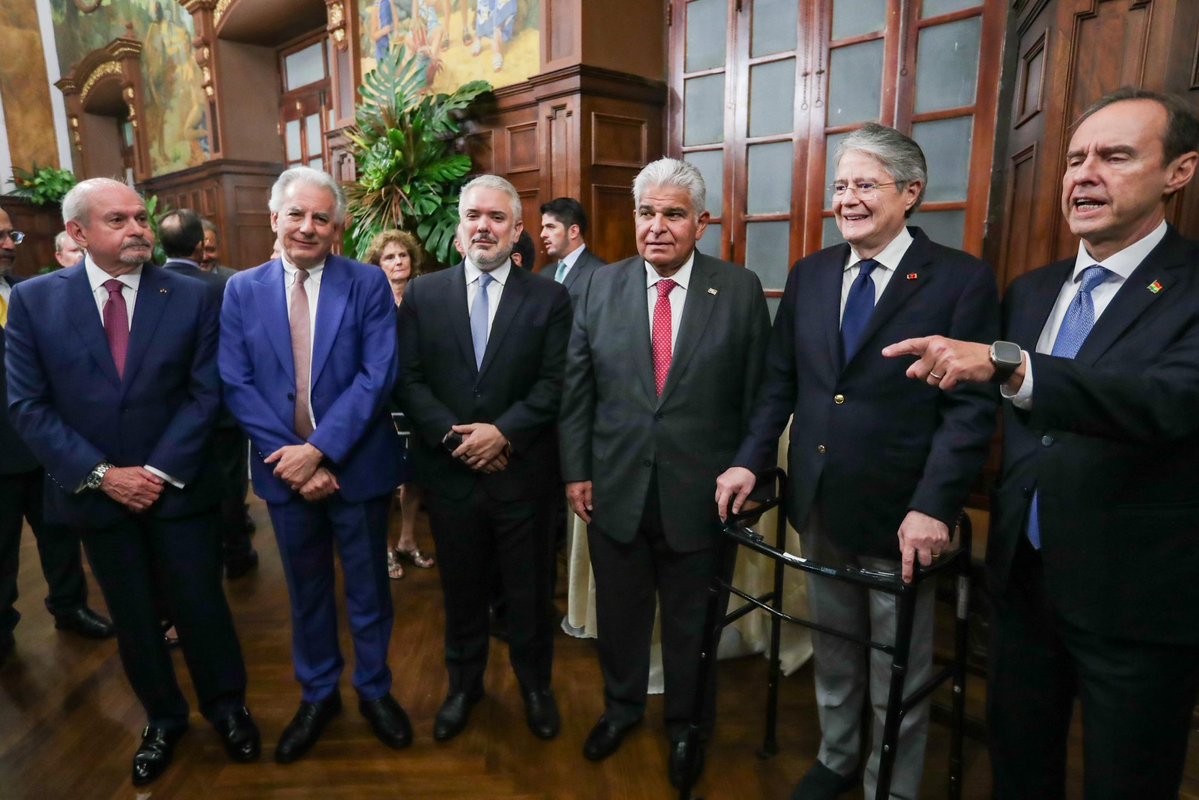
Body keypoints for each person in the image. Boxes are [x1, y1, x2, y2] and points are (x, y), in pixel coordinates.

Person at [882, 88, 1199, 800]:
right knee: (1018, 766)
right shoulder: (1030, 291)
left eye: (1114, 157)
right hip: (1023, 583)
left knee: (1127, 779)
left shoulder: (1188, 287)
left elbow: (1169, 403)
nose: (1084, 175)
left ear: (1177, 171)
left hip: (1136, 596)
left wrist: (1015, 367)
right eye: (1075, 158)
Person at [716, 124, 999, 800]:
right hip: (818, 502)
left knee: (893, 665)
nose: (846, 199)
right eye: (840, 186)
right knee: (835, 649)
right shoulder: (810, 274)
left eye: (864, 185)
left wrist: (932, 506)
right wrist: (750, 463)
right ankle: (839, 756)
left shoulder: (959, 279)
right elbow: (780, 384)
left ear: (910, 193)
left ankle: (890, 784)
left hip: (901, 516)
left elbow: (969, 413)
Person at [5, 179, 258, 785]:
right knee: (135, 616)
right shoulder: (37, 302)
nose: (139, 229)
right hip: (96, 497)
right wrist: (101, 475)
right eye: (118, 219)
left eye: (141, 217)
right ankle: (164, 718)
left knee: (202, 608)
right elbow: (27, 405)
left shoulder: (191, 295)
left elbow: (206, 395)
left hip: (178, 490)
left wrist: (155, 472)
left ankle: (228, 708)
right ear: (77, 233)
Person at [558, 158, 770, 788]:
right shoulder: (599, 286)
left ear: (700, 222)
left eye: (673, 214)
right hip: (613, 488)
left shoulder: (738, 289)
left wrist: (747, 469)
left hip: (702, 498)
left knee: (691, 624)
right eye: (646, 212)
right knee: (620, 617)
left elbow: (760, 396)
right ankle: (621, 710)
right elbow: (578, 391)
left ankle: (687, 727)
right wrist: (577, 471)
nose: (657, 226)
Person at [219, 167, 410, 762]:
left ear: (338, 227)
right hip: (285, 476)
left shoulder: (368, 285)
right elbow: (236, 381)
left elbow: (378, 376)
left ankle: (375, 689)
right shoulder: (241, 290)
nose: (307, 227)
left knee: (369, 590)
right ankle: (318, 693)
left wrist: (319, 451)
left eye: (320, 217)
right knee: (305, 592)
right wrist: (295, 462)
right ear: (273, 218)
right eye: (296, 214)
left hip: (356, 468)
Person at [396, 174, 571, 743]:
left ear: (517, 230)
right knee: (462, 592)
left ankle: (535, 689)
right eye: (473, 215)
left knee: (529, 594)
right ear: (457, 227)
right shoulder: (424, 295)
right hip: (450, 480)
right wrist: (458, 440)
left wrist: (503, 434)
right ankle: (463, 687)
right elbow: (409, 379)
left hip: (523, 477)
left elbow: (554, 382)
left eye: (497, 218)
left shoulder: (548, 296)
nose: (483, 226)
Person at [0, 207, 114, 664]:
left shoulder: (25, 294)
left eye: (12, 235)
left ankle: (70, 607)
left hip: (44, 445)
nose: (8, 244)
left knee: (60, 535)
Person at [160, 209, 258, 579]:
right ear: (201, 246)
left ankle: (196, 558)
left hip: (172, 408)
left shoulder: (147, 287)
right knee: (230, 484)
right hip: (222, 405)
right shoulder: (224, 286)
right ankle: (237, 552)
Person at [362, 229, 435, 580]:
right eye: (389, 257)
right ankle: (386, 547)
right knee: (385, 475)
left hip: (419, 397)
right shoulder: (371, 299)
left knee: (414, 474)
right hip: (382, 398)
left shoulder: (425, 295)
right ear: (378, 264)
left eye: (402, 255)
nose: (397, 262)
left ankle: (407, 540)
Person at [540, 196, 606, 305]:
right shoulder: (545, 274)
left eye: (550, 227)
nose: (543, 234)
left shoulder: (600, 273)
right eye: (543, 228)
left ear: (573, 231)